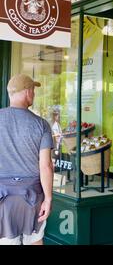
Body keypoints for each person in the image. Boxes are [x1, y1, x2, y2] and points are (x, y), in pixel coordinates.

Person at [0, 74, 54, 245]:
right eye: (33, 90)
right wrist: (48, 198)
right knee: (35, 242)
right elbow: (46, 166)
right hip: (32, 197)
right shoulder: (41, 124)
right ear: (27, 92)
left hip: (3, 197)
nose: (34, 94)